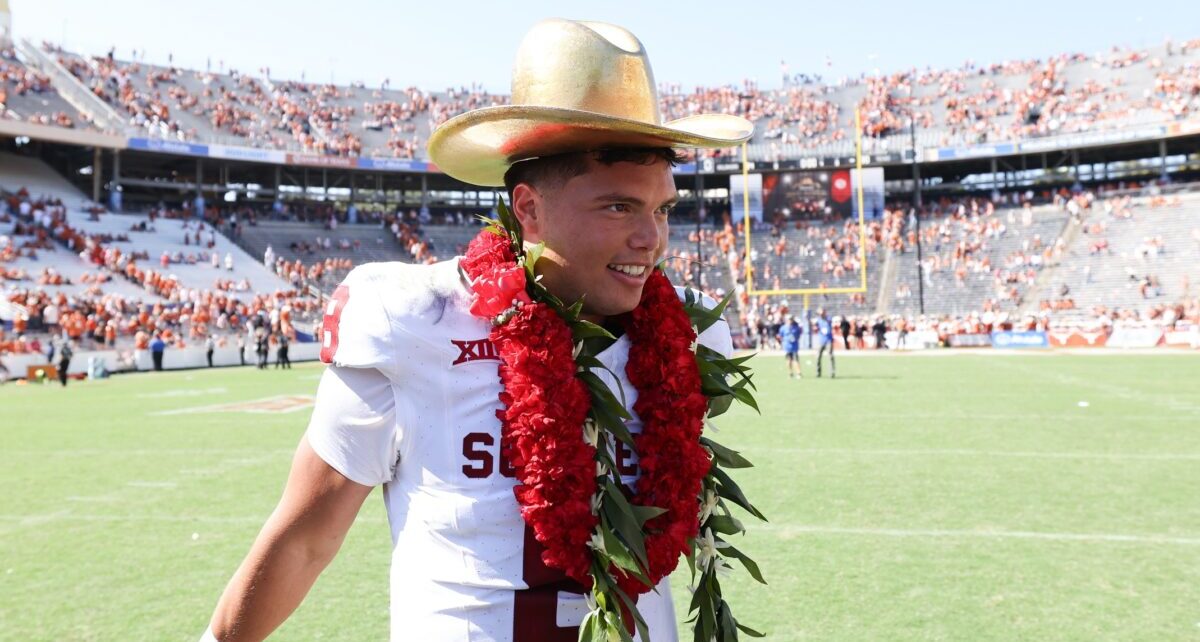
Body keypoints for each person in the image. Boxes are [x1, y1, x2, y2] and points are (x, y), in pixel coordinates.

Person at [200, 18, 751, 642]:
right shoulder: (415, 320)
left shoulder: (688, 335)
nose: (651, 239)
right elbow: (305, 540)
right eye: (618, 206)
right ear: (530, 209)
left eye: (661, 209)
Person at [815, 308, 836, 378]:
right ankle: (818, 372)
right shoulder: (818, 320)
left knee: (830, 356)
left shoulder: (828, 318)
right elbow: (815, 327)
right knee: (818, 357)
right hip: (821, 341)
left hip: (828, 341)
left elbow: (828, 321)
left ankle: (832, 372)